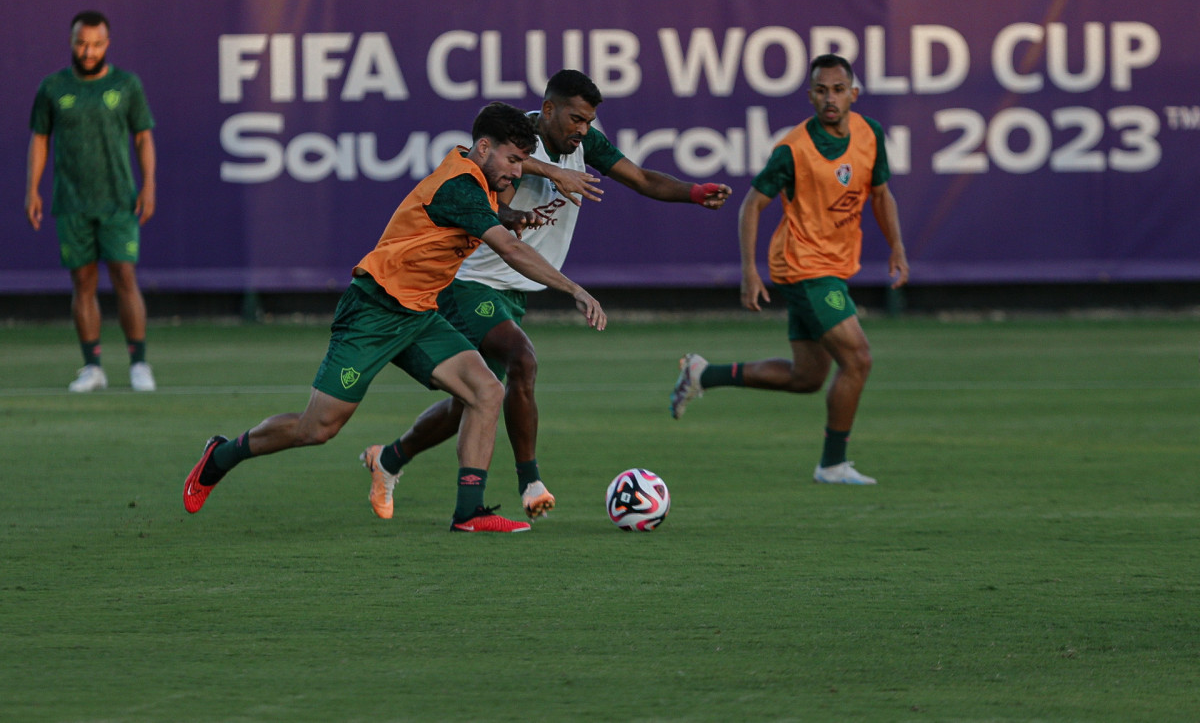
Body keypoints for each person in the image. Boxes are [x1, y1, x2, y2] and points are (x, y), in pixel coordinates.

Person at [183, 102, 607, 533]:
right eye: (513, 160)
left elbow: (475, 216)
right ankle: (221, 455)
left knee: (485, 391)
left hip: (420, 314)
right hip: (375, 310)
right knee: (317, 428)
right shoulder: (461, 184)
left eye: (523, 161)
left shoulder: (476, 179)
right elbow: (511, 250)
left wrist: (510, 214)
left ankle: (469, 512)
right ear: (483, 147)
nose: (518, 172)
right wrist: (573, 289)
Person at [360, 69, 731, 522]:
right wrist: (548, 174)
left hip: (515, 289)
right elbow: (482, 184)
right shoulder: (517, 140)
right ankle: (530, 481)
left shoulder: (584, 144)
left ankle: (390, 459)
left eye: (589, 120)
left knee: (474, 402)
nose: (583, 129)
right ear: (549, 111)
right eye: (575, 118)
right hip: (471, 282)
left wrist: (693, 192)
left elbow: (641, 179)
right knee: (523, 359)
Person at [670, 54, 909, 485]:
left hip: (833, 266)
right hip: (805, 267)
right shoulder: (793, 150)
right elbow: (752, 205)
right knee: (858, 359)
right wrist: (750, 271)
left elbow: (881, 193)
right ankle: (833, 464)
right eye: (821, 90)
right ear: (810, 95)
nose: (830, 98)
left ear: (853, 93)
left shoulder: (870, 133)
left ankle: (703, 373)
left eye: (838, 89)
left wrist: (897, 247)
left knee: (808, 377)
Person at [25, 10, 158, 393]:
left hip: (118, 200)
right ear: (72, 42)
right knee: (82, 282)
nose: (88, 51)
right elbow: (40, 141)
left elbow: (143, 137)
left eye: (96, 44)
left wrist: (148, 185)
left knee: (124, 277)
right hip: (71, 202)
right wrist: (32, 188)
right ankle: (92, 366)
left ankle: (138, 363)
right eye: (82, 43)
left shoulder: (126, 85)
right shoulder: (52, 88)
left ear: (107, 44)